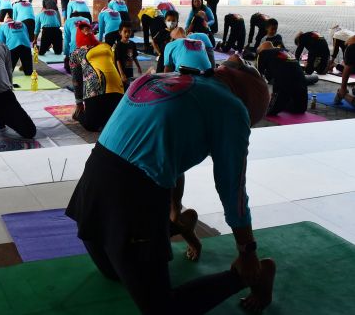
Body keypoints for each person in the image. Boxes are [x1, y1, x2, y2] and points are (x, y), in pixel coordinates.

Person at [66, 59, 276, 315]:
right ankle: (176, 227)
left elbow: (169, 159)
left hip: (103, 179)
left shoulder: (159, 78)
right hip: (117, 186)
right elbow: (233, 188)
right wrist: (247, 250)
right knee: (114, 273)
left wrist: (175, 206)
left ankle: (248, 276)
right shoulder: (231, 108)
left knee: (158, 307)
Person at [69, 22, 124, 131]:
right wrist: (79, 101)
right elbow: (77, 79)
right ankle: (84, 114)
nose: (87, 32)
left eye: (88, 29)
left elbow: (76, 80)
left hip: (107, 89)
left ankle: (79, 114)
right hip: (109, 89)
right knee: (106, 123)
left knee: (94, 125)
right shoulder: (78, 52)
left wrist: (79, 103)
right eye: (84, 30)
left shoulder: (104, 47)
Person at [256, 42, 309, 116]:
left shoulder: (263, 53)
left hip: (284, 84)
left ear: (261, 50)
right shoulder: (286, 51)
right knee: (299, 109)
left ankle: (281, 103)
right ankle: (283, 102)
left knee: (268, 112)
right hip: (302, 84)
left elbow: (257, 75)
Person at [114, 22, 142, 87]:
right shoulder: (118, 45)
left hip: (130, 70)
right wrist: (122, 74)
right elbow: (118, 60)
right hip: (121, 71)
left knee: (128, 87)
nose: (127, 34)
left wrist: (138, 67)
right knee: (121, 87)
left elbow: (134, 56)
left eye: (129, 31)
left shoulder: (132, 44)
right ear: (120, 32)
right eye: (125, 31)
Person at [334, 36, 355, 106]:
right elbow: (347, 68)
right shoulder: (352, 48)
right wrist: (343, 88)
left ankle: (342, 93)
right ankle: (342, 93)